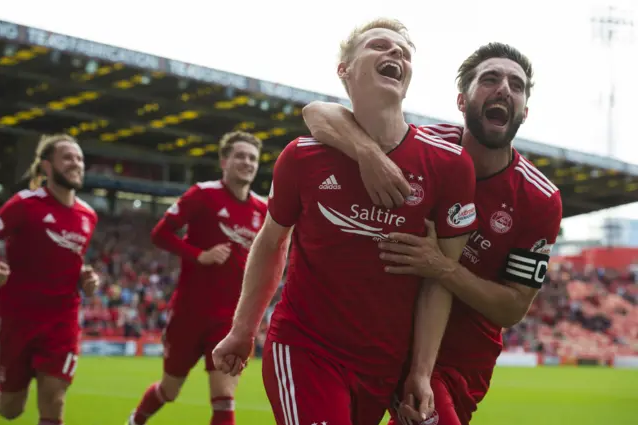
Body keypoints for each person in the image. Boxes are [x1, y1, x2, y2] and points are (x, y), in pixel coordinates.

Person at [212, 18, 478, 425]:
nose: (396, 54)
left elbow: (439, 277)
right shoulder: (301, 157)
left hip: (387, 362)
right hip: (307, 349)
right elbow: (270, 243)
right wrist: (243, 328)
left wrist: (421, 371)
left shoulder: (449, 164)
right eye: (378, 46)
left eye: (403, 53)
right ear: (345, 70)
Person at [302, 42, 563, 425]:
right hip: (383, 336)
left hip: (457, 364)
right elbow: (316, 113)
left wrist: (441, 267)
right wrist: (369, 154)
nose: (504, 88)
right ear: (461, 100)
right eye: (490, 78)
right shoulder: (424, 146)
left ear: (524, 110)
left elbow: (512, 308)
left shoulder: (540, 199)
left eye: (517, 85)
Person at [127, 131, 267, 425]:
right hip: (189, 314)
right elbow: (160, 234)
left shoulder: (262, 210)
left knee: (224, 396)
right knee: (169, 390)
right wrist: (198, 254)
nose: (247, 162)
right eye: (240, 156)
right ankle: (135, 421)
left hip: (230, 320)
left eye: (252, 158)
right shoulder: (203, 195)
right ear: (224, 161)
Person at [0, 134, 100, 425]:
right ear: (46, 166)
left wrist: (86, 277)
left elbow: (73, 259)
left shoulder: (88, 215)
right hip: (17, 319)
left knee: (54, 398)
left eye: (79, 158)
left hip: (61, 322)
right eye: (68, 158)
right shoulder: (23, 204)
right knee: (10, 408)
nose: (76, 164)